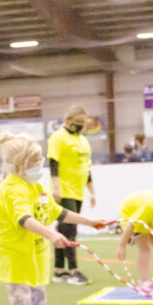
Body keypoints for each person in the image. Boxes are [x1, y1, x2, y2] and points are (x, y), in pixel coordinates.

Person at [0, 133, 112, 305]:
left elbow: (55, 211)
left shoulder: (35, 186)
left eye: (39, 160)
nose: (39, 166)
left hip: (35, 259)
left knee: (38, 304)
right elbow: (25, 219)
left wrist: (89, 221)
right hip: (16, 259)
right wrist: (51, 235)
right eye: (33, 161)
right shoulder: (12, 189)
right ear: (18, 164)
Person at [47, 105, 97, 285]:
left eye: (83, 123)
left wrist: (91, 192)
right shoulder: (58, 137)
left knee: (62, 228)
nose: (80, 126)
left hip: (78, 191)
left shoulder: (83, 141)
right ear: (68, 120)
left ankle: (59, 270)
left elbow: (86, 168)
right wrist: (56, 187)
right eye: (77, 123)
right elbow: (54, 162)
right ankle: (74, 271)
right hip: (64, 189)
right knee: (70, 229)